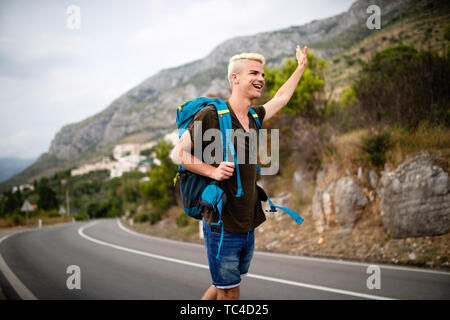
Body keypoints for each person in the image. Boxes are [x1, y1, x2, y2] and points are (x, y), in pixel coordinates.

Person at [171, 44, 308, 300]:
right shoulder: (212, 115)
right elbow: (178, 154)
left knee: (224, 284)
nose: (261, 79)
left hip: (247, 222)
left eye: (263, 75)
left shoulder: (254, 117)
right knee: (230, 292)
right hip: (223, 224)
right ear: (235, 78)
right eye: (254, 73)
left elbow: (281, 98)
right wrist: (212, 172)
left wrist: (300, 68)